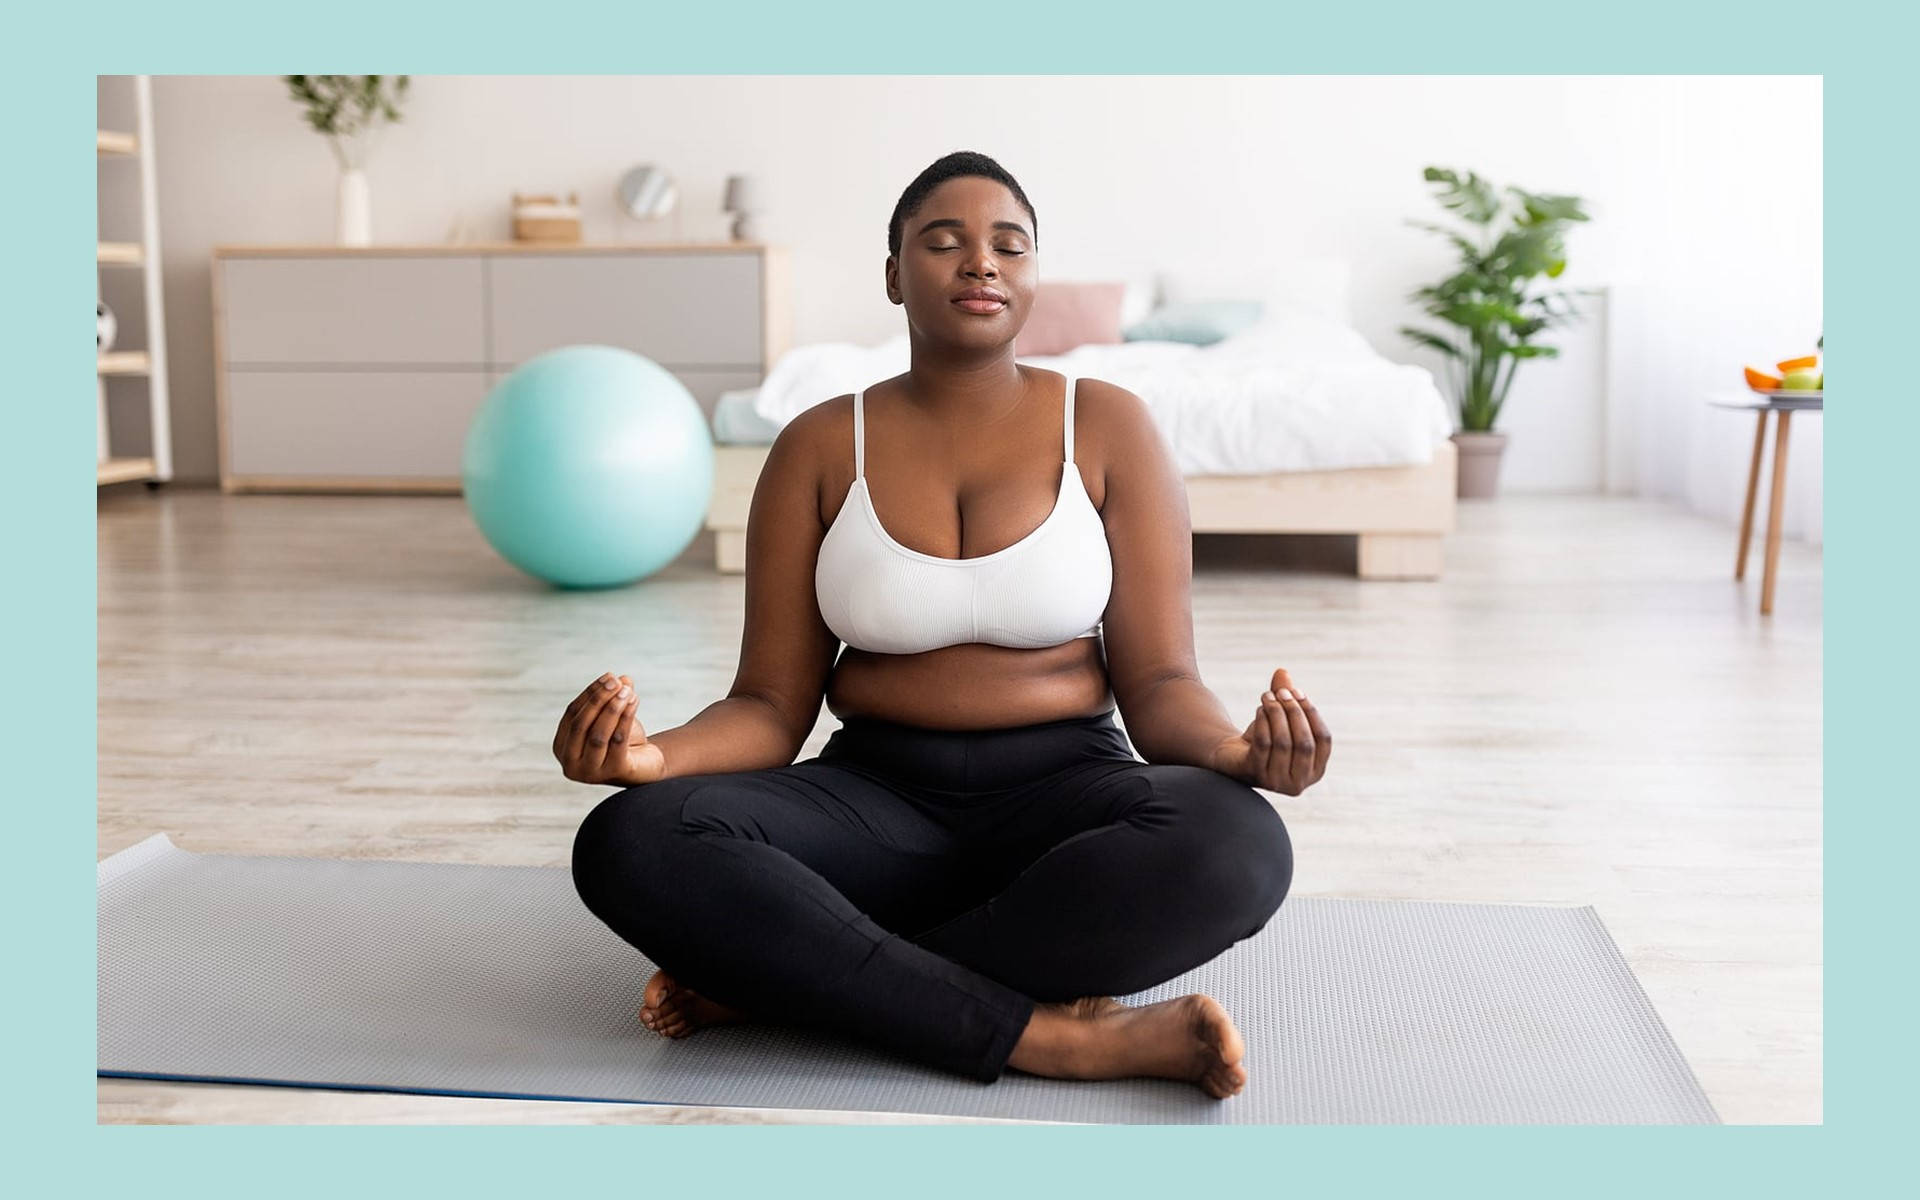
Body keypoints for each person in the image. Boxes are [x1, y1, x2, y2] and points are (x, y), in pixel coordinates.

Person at [566, 150, 1330, 1099]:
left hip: (1065, 802)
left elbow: (1162, 684)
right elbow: (769, 704)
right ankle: (1060, 1039)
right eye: (944, 242)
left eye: (1010, 245)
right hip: (872, 806)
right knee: (628, 839)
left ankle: (792, 985)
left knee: (1238, 846)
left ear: (1033, 276)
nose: (982, 263)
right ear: (894, 275)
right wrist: (651, 759)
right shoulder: (815, 444)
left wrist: (1237, 754)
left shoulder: (1109, 427)